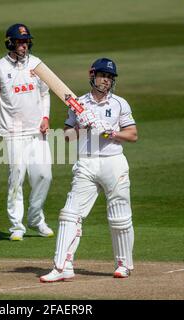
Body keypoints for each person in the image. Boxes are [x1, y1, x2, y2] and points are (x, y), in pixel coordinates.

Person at [40, 58, 138, 282]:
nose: (107, 81)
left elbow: (132, 135)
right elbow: (66, 136)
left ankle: (123, 264)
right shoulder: (79, 104)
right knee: (69, 214)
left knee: (119, 217)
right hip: (86, 162)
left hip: (113, 162)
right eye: (103, 76)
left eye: (110, 77)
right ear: (93, 76)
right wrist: (81, 126)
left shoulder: (120, 104)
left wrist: (113, 133)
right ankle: (62, 266)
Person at [0, 23, 54, 241]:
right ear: (10, 43)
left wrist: (46, 117)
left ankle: (35, 218)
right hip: (12, 132)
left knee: (44, 176)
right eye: (20, 41)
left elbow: (46, 93)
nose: (24, 45)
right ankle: (16, 226)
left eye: (26, 41)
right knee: (16, 178)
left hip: (38, 131)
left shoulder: (38, 64)